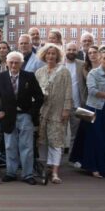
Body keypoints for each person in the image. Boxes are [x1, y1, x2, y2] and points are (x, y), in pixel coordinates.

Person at [0, 51, 44, 184]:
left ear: (21, 63)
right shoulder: (0, 77)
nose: (13, 65)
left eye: (16, 62)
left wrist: (32, 111)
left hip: (25, 115)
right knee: (9, 145)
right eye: (11, 62)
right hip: (7, 115)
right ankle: (11, 172)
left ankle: (27, 174)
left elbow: (39, 97)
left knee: (26, 145)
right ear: (7, 63)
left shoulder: (29, 76)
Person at [71, 46, 105, 178]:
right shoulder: (93, 73)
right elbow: (92, 91)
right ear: (100, 58)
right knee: (94, 139)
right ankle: (93, 167)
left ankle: (104, 166)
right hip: (93, 109)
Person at [34, 43, 73, 184]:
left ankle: (55, 172)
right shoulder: (39, 72)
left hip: (58, 111)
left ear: (58, 56)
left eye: (53, 53)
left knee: (56, 142)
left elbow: (69, 91)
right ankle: (45, 168)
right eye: (48, 53)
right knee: (42, 140)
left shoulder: (64, 72)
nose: (50, 56)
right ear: (44, 55)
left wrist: (66, 109)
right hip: (42, 111)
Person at [64, 42, 88, 154]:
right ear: (65, 50)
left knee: (76, 134)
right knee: (59, 134)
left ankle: (72, 158)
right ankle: (56, 161)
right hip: (61, 107)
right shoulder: (59, 64)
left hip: (79, 106)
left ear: (77, 51)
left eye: (74, 50)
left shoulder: (82, 64)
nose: (71, 52)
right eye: (69, 49)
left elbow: (88, 81)